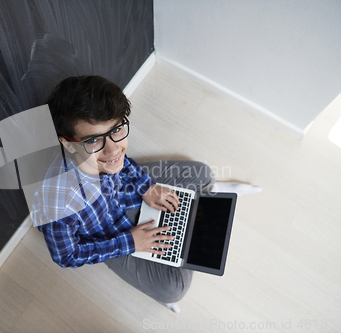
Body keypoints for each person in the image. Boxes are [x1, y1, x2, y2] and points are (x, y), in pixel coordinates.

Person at [31, 75, 258, 313]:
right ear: (69, 144)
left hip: (124, 194)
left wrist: (146, 187)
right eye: (93, 140)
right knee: (174, 289)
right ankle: (186, 230)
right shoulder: (55, 204)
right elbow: (67, 256)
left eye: (116, 129)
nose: (113, 148)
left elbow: (121, 161)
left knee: (201, 173)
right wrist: (131, 242)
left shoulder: (108, 154)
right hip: (111, 236)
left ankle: (190, 219)